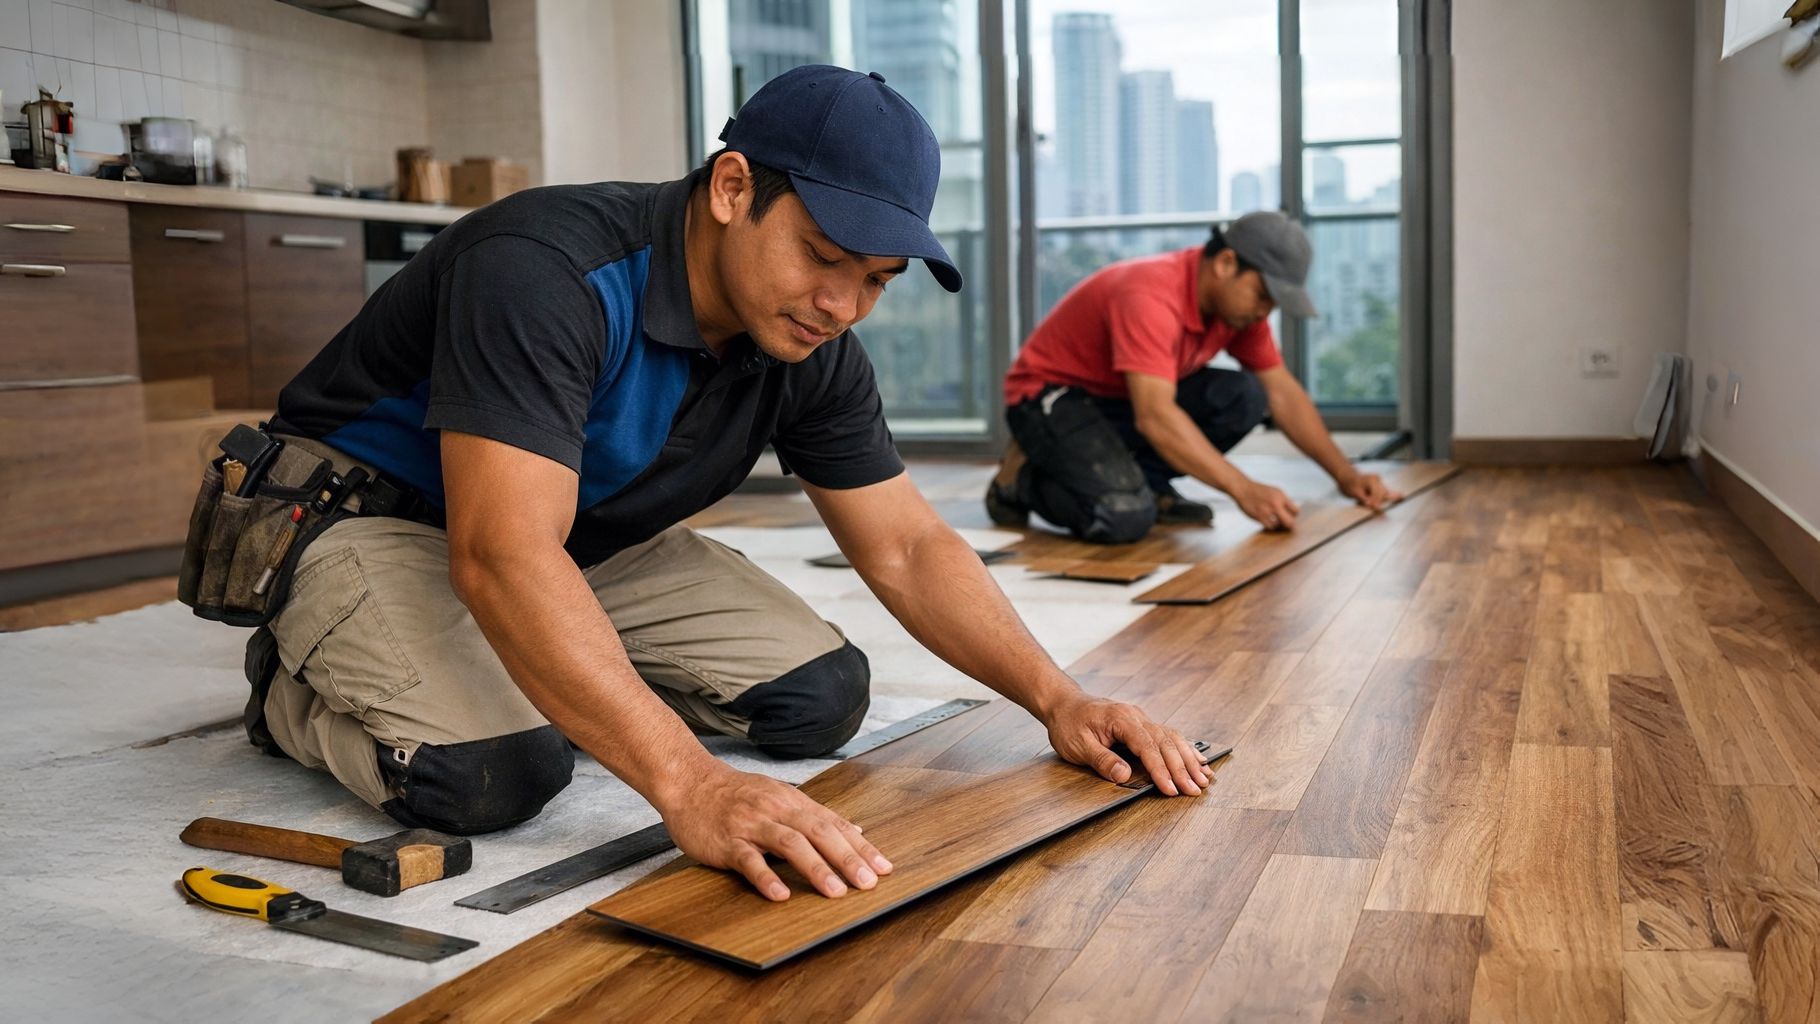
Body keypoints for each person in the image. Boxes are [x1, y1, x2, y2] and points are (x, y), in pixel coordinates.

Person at [241, 66, 1208, 904]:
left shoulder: (810, 342)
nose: (843, 304)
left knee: (819, 698)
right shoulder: (546, 269)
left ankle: (538, 664)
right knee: (491, 772)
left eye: (878, 279)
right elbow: (501, 553)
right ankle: (292, 685)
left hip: (574, 536)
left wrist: (1059, 700)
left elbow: (908, 546)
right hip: (366, 519)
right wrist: (690, 782)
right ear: (733, 187)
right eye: (822, 256)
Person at [986, 212, 1401, 544]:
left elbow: (1283, 394)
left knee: (1246, 396)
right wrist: (1243, 488)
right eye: (1262, 295)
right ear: (1226, 263)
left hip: (1119, 400)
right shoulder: (1150, 296)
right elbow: (1155, 417)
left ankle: (1148, 483)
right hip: (1048, 399)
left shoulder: (1239, 313)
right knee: (1122, 518)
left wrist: (1347, 476)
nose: (1265, 312)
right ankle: (1019, 480)